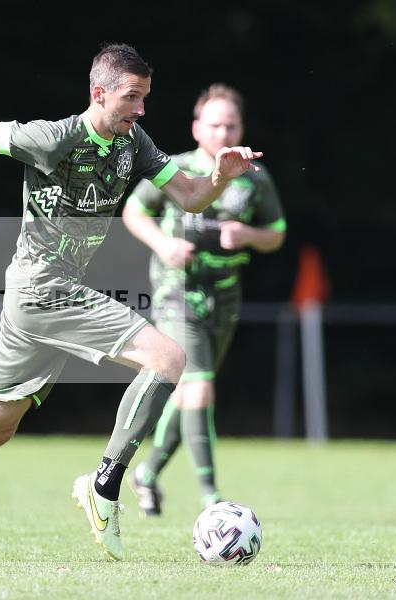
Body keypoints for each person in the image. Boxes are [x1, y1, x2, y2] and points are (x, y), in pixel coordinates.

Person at [0, 44, 261, 562]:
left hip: (34, 299)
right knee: (169, 358)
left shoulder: (134, 144)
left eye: (146, 98)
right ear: (99, 94)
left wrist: (222, 174)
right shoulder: (52, 137)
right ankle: (104, 486)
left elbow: (192, 195)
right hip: (45, 288)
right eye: (132, 98)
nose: (141, 109)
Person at [123, 83, 285, 516]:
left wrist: (250, 236)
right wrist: (164, 244)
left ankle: (148, 472)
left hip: (224, 298)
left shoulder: (255, 177)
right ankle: (212, 497)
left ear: (241, 128)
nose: (223, 133)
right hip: (177, 293)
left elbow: (277, 234)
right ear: (197, 128)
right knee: (199, 387)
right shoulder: (176, 170)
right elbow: (133, 212)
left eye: (231, 125)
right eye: (215, 125)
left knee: (190, 395)